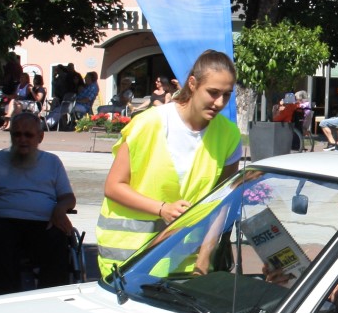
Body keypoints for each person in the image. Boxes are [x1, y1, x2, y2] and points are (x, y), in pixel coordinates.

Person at [97, 50, 241, 278]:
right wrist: (162, 209)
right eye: (213, 93)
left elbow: (221, 202)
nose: (220, 102)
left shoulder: (229, 134)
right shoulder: (148, 123)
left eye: (226, 94)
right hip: (128, 258)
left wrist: (204, 260)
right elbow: (114, 186)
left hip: (184, 263)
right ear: (192, 84)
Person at [0, 111, 77, 293]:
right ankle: (7, 298)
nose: (22, 139)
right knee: (1, 241)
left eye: (28, 135)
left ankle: (50, 298)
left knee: (58, 240)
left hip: (42, 223)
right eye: (17, 134)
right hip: (2, 221)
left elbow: (68, 197)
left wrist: (61, 208)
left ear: (40, 137)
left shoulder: (52, 162)